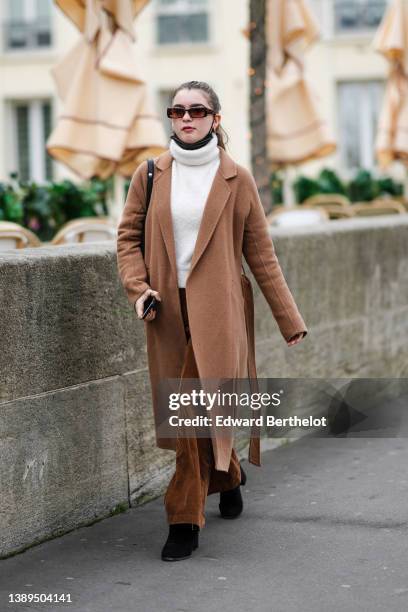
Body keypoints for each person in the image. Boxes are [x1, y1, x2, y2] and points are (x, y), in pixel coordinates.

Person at [116, 80, 307, 562]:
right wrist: (139, 290)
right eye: (177, 109)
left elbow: (260, 253)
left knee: (191, 413)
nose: (186, 117)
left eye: (197, 110)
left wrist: (289, 320)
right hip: (166, 312)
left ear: (215, 120)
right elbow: (127, 240)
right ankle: (229, 475)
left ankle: (184, 519)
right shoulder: (150, 174)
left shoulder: (235, 178)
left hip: (219, 311)